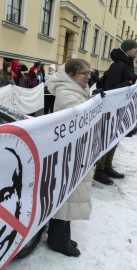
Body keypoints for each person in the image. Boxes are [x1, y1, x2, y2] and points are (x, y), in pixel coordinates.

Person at [47, 59, 94, 257]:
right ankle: (59, 241)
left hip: (75, 153)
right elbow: (84, 120)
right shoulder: (68, 94)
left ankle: (60, 236)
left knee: (68, 197)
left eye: (89, 73)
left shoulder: (75, 91)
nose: (88, 77)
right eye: (85, 73)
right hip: (70, 155)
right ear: (72, 75)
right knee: (65, 198)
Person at [93, 39, 137, 185]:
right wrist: (129, 84)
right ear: (127, 49)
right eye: (135, 48)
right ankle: (99, 169)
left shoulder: (128, 64)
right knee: (107, 138)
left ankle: (107, 166)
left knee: (115, 137)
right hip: (111, 109)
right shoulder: (118, 66)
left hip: (120, 108)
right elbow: (111, 88)